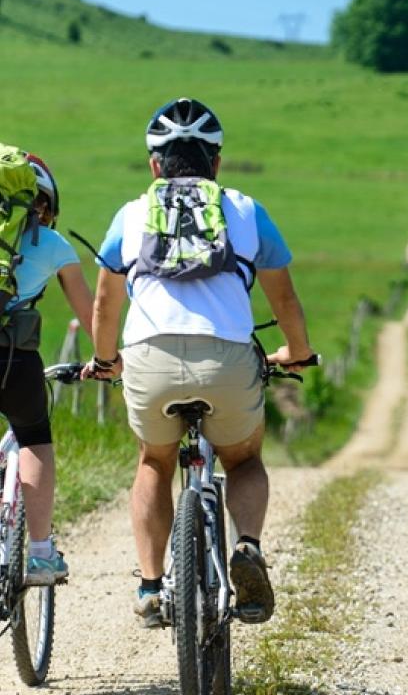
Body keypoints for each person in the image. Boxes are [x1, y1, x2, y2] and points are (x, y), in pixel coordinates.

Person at [83, 97, 315, 628]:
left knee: (153, 462)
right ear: (216, 162)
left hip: (149, 356)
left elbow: (103, 304)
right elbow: (285, 302)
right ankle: (248, 548)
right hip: (228, 357)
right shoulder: (247, 210)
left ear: (154, 165)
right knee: (244, 460)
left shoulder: (131, 213)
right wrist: (297, 353)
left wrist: (104, 360)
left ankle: (147, 585)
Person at [4, 152, 94, 585]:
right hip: (14, 359)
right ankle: (40, 554)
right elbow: (91, 315)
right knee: (34, 437)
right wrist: (110, 361)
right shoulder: (53, 245)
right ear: (45, 204)